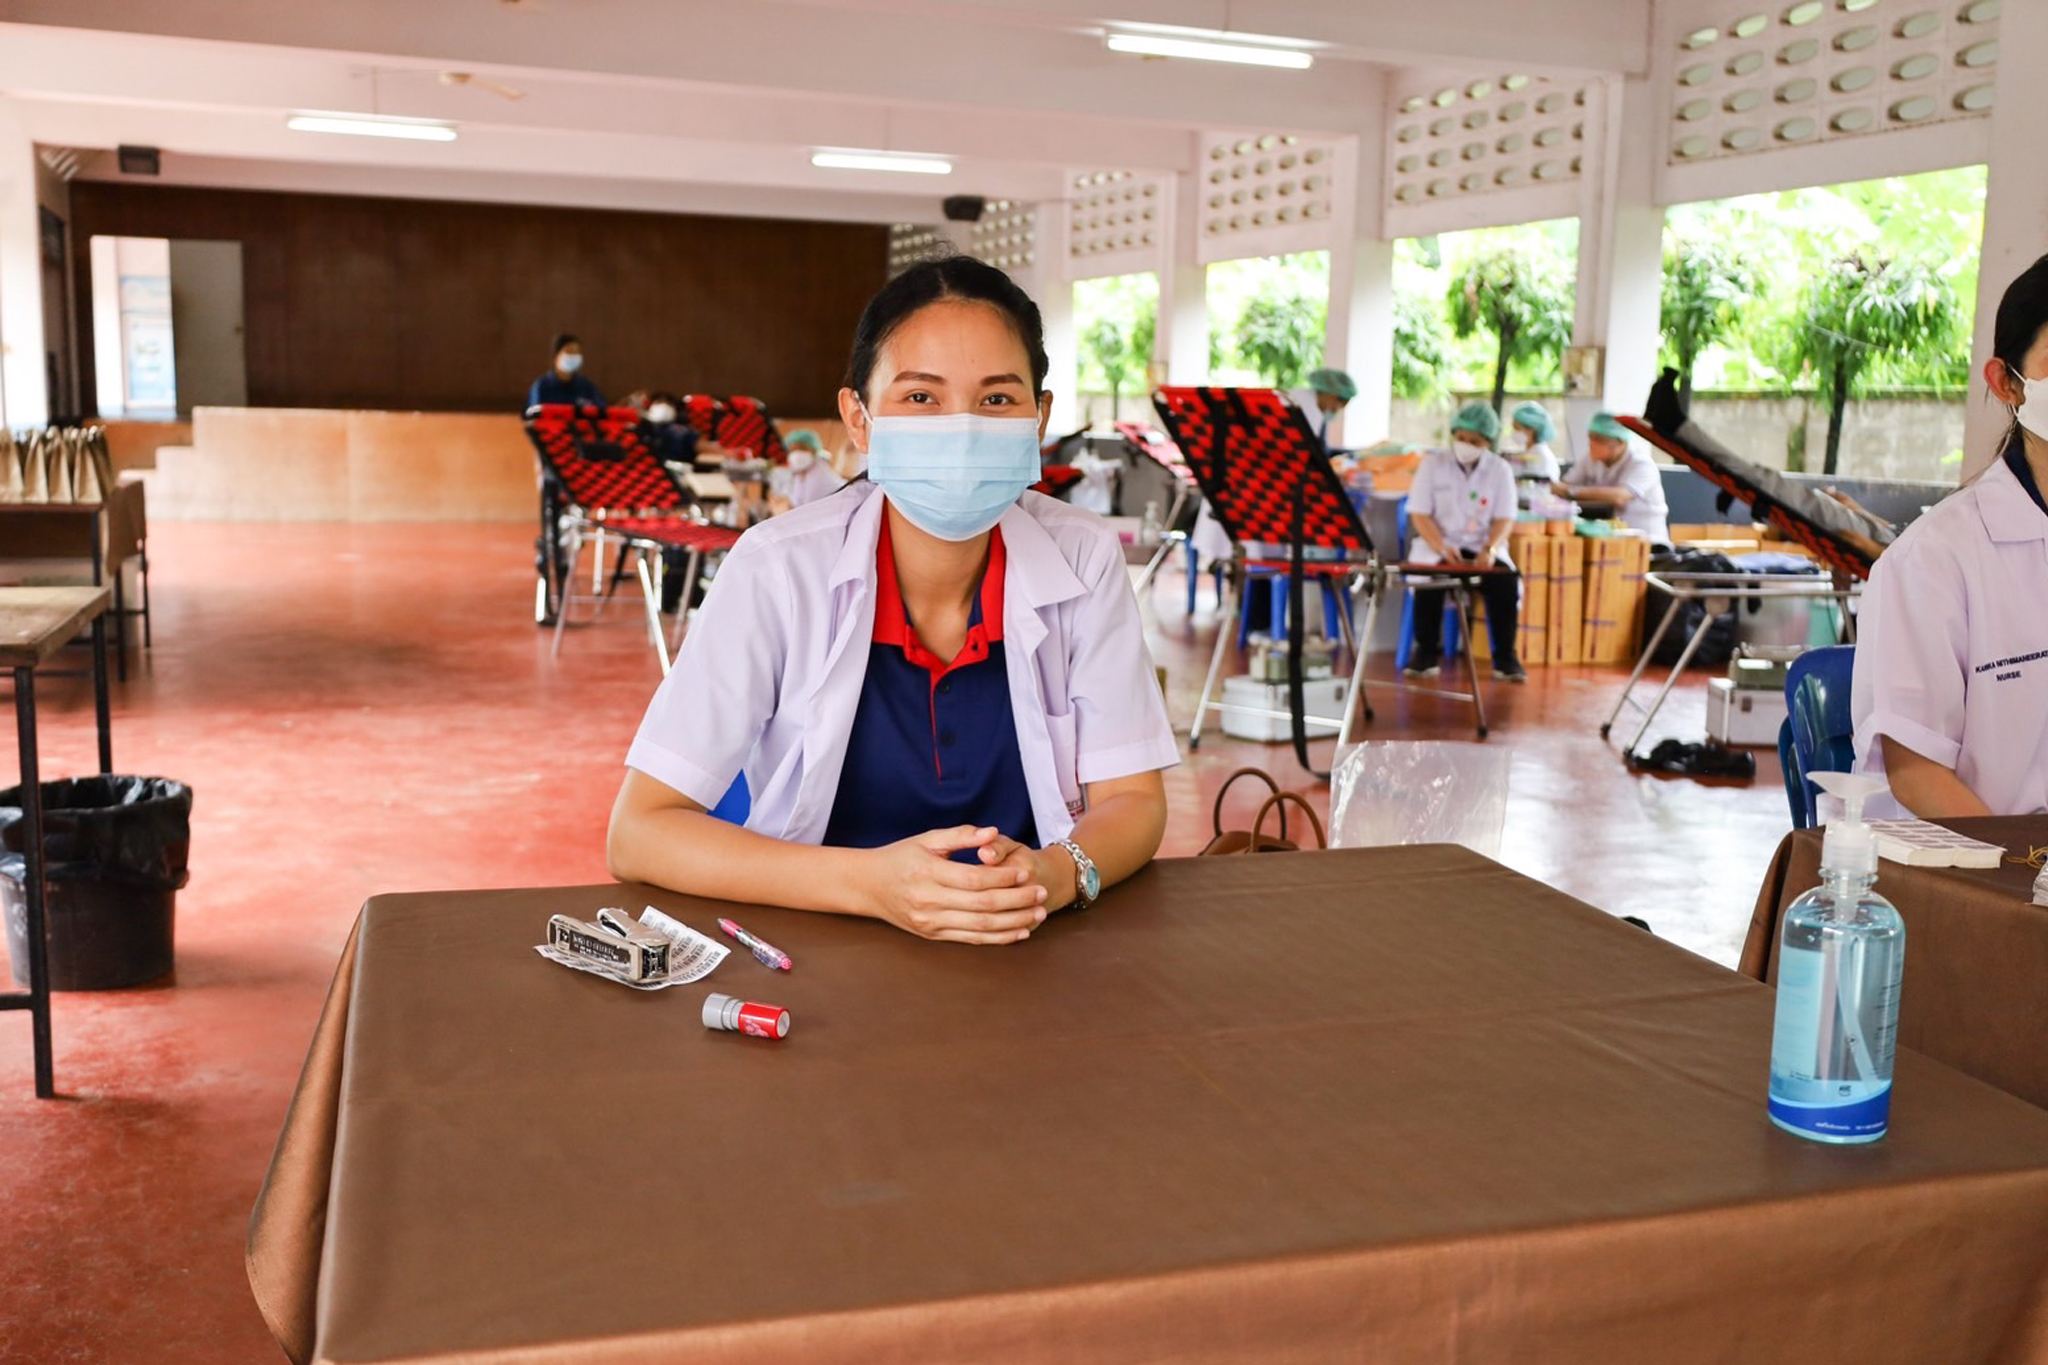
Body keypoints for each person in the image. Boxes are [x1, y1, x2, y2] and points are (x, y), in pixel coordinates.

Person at [607, 255, 1177, 944]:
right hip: (822, 943)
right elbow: (639, 832)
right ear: (860, 417)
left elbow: (1134, 801)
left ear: (1040, 416)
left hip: (1024, 945)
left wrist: (1056, 874)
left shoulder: (1082, 556)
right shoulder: (777, 569)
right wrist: (871, 884)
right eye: (920, 397)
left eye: (997, 399)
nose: (962, 428)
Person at [1851, 252, 2048, 817]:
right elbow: (1918, 775)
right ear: (2007, 383)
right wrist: (2025, 886)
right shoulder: (1933, 561)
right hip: (1971, 871)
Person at [1403, 402, 1526, 683]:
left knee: (1505, 581)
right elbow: (1419, 514)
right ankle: (1425, 652)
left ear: (1487, 441)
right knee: (1430, 578)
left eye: (1474, 441)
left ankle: (1506, 657)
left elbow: (1505, 517)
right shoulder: (1433, 464)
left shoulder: (1500, 469)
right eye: (1461, 438)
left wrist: (1490, 549)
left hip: (1482, 546)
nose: (1465, 445)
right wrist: (1441, 547)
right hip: (1439, 544)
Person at [1552, 412, 1670, 547]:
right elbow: (1563, 487)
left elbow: (1620, 497)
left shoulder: (1641, 464)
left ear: (1620, 442)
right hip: (1612, 542)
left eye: (1599, 439)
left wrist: (1572, 492)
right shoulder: (1591, 459)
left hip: (1648, 543)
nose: (1592, 444)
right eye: (1590, 438)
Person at [526, 333, 606, 409]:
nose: (574, 356)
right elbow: (533, 417)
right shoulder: (542, 387)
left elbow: (601, 412)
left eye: (577, 353)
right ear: (556, 356)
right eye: (569, 352)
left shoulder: (587, 387)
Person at [775, 428, 845, 510]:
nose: (797, 453)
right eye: (793, 449)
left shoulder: (821, 474)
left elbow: (807, 508)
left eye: (802, 448)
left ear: (814, 450)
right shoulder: (799, 473)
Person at [1505, 401, 1563, 487]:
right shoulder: (1531, 452)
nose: (1514, 432)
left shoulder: (1540, 456)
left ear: (1532, 429)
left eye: (1517, 428)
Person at [1307, 368, 1357, 453]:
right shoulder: (1304, 411)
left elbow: (1323, 450)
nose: (1335, 411)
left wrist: (1357, 452)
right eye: (1339, 406)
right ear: (1332, 396)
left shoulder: (1319, 413)